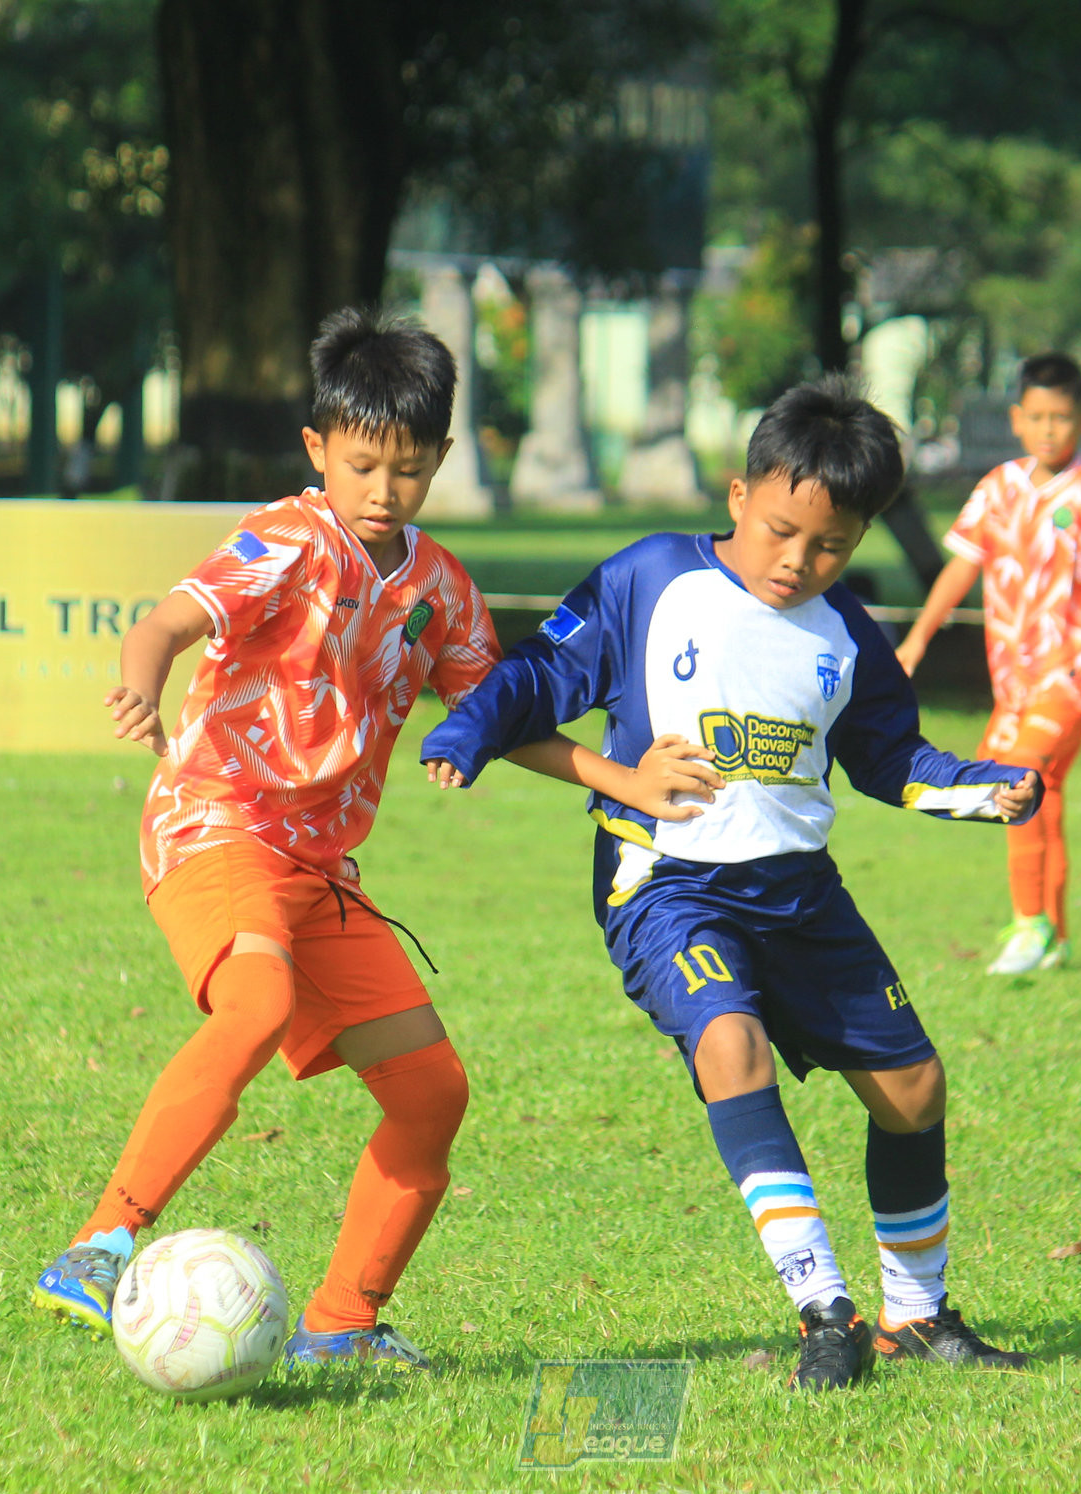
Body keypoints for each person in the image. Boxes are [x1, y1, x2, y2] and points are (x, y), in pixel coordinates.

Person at [421, 380, 1041, 1389]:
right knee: (728, 1040)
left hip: (801, 891)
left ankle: (918, 1318)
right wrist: (468, 732)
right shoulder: (651, 575)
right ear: (740, 488)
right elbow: (536, 675)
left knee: (915, 1091)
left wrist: (984, 790)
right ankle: (824, 1311)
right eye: (779, 530)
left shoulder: (845, 634)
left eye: (829, 546)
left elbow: (890, 758)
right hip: (665, 884)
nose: (797, 562)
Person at [29, 308, 499, 1370]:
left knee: (434, 1093)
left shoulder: (441, 588)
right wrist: (138, 685)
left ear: (439, 462)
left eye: (410, 469)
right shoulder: (286, 538)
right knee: (259, 1000)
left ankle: (340, 1327)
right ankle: (100, 1242)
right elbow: (168, 620)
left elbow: (498, 715)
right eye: (365, 463)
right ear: (318, 449)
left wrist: (621, 776)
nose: (384, 489)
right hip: (216, 821)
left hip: (319, 871)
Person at [895, 354, 1081, 976]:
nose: (1048, 430)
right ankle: (1054, 934)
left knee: (1014, 778)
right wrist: (917, 639)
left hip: (1073, 673)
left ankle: (1030, 925)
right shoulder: (998, 486)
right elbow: (962, 564)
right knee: (1042, 795)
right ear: (1017, 419)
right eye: (1037, 417)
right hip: (1014, 682)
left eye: (1061, 418)